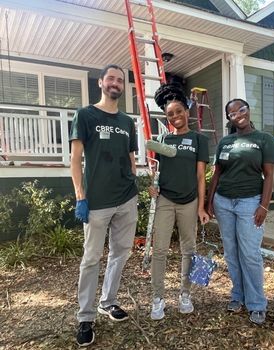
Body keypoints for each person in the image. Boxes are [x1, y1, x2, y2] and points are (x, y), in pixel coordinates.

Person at [70, 64, 139, 347]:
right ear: (101, 82)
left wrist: (135, 182)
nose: (115, 83)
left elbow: (132, 157)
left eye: (120, 80)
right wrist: (80, 196)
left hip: (126, 198)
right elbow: (75, 159)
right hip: (96, 201)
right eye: (111, 78)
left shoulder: (127, 122)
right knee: (91, 259)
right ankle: (85, 317)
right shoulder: (85, 115)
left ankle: (108, 302)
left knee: (120, 254)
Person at [206, 98, 274, 325]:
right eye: (233, 113)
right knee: (231, 252)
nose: (239, 114)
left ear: (248, 111)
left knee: (250, 253)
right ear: (229, 118)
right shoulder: (225, 142)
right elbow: (217, 174)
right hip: (223, 202)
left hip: (250, 202)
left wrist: (264, 205)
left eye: (242, 109)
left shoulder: (264, 139)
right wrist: (209, 202)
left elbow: (270, 176)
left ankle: (257, 303)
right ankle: (238, 295)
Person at [148, 84, 210, 320]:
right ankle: (158, 298)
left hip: (189, 202)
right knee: (160, 250)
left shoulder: (198, 139)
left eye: (178, 111)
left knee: (189, 250)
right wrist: (152, 186)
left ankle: (185, 294)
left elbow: (200, 177)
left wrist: (201, 207)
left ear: (187, 110)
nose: (175, 116)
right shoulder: (162, 139)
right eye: (170, 114)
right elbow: (157, 172)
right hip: (165, 199)